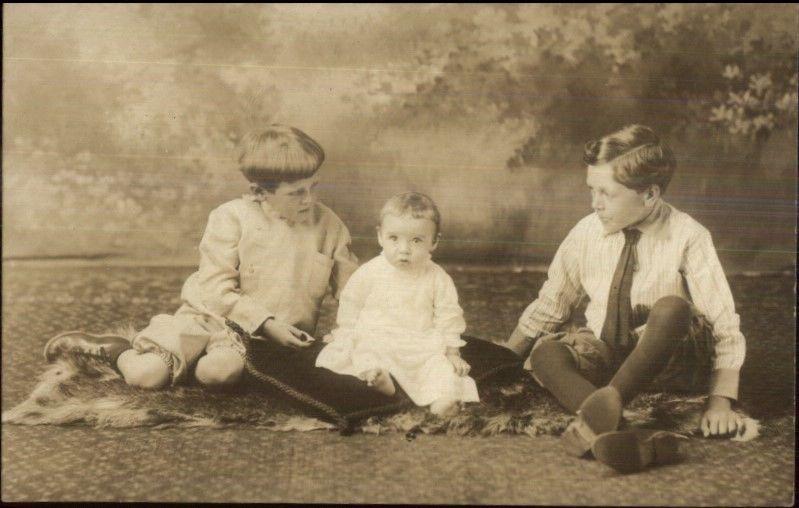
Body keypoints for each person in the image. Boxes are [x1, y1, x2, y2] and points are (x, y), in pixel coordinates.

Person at [505, 125, 747, 473]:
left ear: (650, 194)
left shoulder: (689, 236)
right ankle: (622, 433)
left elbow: (724, 324)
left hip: (669, 357)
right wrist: (508, 359)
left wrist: (720, 401)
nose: (595, 203)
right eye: (591, 190)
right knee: (546, 352)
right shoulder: (586, 232)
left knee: (672, 308)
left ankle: (603, 408)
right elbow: (551, 304)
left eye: (606, 194)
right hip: (607, 352)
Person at [44, 124, 359, 390]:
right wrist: (266, 321)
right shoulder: (230, 218)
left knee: (218, 374)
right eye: (296, 193)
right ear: (260, 192)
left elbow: (354, 292)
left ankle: (199, 367)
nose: (308, 200)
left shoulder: (329, 226)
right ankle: (116, 350)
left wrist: (354, 332)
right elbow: (215, 289)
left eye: (312, 188)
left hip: (267, 342)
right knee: (146, 376)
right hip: (210, 318)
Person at [315, 192, 479, 416]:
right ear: (380, 236)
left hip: (419, 343)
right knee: (363, 350)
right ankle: (382, 380)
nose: (404, 249)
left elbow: (448, 315)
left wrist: (452, 352)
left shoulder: (437, 277)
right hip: (378, 338)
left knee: (439, 368)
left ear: (434, 242)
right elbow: (351, 306)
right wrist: (345, 333)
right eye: (394, 238)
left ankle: (442, 401)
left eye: (416, 240)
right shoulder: (369, 272)